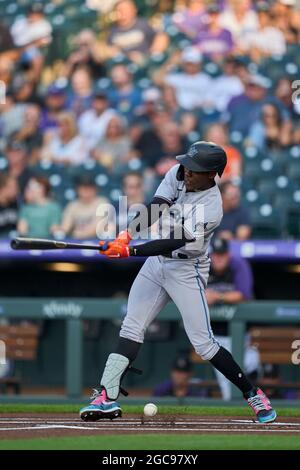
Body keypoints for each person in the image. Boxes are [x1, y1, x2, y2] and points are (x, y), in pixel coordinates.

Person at [79, 140, 277, 424]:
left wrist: (132, 251)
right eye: (187, 164)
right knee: (131, 326)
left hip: (187, 268)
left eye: (195, 169)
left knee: (204, 344)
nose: (187, 171)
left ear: (211, 174)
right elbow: (156, 208)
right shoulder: (177, 173)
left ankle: (253, 394)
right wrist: (127, 235)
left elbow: (174, 241)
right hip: (157, 263)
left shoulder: (212, 208)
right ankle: (106, 397)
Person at [206, 237, 259, 400]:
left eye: (222, 254)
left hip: (242, 334)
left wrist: (218, 296)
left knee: (252, 362)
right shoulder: (203, 265)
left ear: (228, 254)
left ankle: (250, 394)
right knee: (227, 384)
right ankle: (235, 409)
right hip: (216, 335)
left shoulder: (238, 264)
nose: (219, 258)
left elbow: (243, 294)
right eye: (216, 254)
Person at [154, 46, 211, 111]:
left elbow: (210, 101)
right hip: (179, 111)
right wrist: (171, 62)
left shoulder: (206, 79)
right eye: (188, 64)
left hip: (199, 111)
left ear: (199, 64)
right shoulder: (177, 78)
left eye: (193, 64)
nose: (190, 66)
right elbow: (157, 80)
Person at [0, 174, 19, 239]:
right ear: (2, 188)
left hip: (13, 244)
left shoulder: (16, 203)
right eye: (13, 187)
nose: (17, 190)